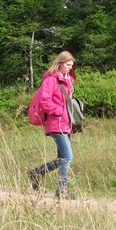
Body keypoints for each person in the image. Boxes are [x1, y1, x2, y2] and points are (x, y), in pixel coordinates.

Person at [27, 51, 78, 200]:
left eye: (72, 65)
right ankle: (62, 190)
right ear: (60, 63)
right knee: (68, 156)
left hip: (66, 124)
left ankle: (37, 172)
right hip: (56, 123)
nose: (70, 67)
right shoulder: (50, 81)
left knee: (62, 157)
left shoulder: (67, 80)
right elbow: (45, 101)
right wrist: (60, 111)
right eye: (68, 65)